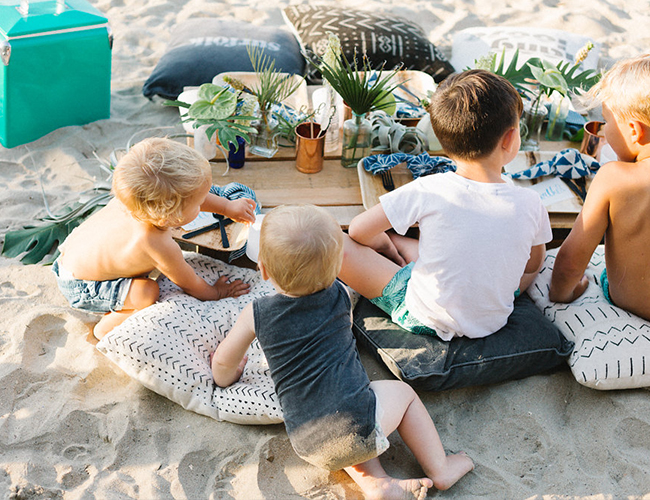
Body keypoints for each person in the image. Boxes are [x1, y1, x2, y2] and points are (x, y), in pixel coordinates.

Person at [212, 205, 473, 499]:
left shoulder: (256, 313)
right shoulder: (339, 295)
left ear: (263, 269)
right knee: (401, 395)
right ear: (337, 268)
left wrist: (228, 376)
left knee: (345, 419)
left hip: (307, 441)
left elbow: (223, 361)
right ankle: (441, 469)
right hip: (356, 425)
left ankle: (378, 485)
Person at [339, 69, 552, 341]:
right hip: (493, 321)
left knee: (342, 244)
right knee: (429, 248)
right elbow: (533, 265)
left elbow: (358, 230)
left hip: (423, 316)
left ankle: (396, 252)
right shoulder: (531, 202)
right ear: (510, 139)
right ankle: (402, 253)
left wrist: (386, 248)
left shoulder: (430, 188)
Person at [53, 137, 256, 340]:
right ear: (168, 216)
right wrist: (218, 292)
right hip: (83, 286)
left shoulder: (137, 198)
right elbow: (191, 284)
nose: (203, 202)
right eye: (199, 203)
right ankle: (106, 328)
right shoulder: (156, 243)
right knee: (147, 292)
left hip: (72, 256)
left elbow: (192, 197)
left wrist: (227, 207)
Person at [550, 54, 650, 319]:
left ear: (633, 130)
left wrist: (563, 293)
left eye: (606, 121)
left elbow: (570, 264)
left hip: (634, 309)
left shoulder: (614, 178)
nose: (604, 131)